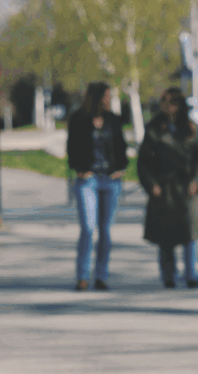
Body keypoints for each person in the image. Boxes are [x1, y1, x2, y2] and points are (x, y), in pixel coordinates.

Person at [137, 87, 198, 289]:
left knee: (189, 232)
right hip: (164, 187)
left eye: (171, 102)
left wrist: (196, 181)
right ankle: (169, 275)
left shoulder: (191, 128)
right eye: (164, 102)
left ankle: (191, 273)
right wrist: (151, 185)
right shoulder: (154, 129)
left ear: (179, 105)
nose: (167, 106)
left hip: (186, 186)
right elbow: (143, 162)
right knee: (165, 234)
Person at [67, 81, 128, 291]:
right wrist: (79, 168)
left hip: (111, 180)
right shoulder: (79, 119)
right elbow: (72, 147)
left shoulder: (113, 120)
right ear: (96, 98)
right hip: (88, 180)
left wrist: (122, 168)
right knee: (88, 228)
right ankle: (82, 276)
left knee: (105, 231)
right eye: (106, 97)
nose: (109, 100)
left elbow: (121, 146)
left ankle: (101, 275)